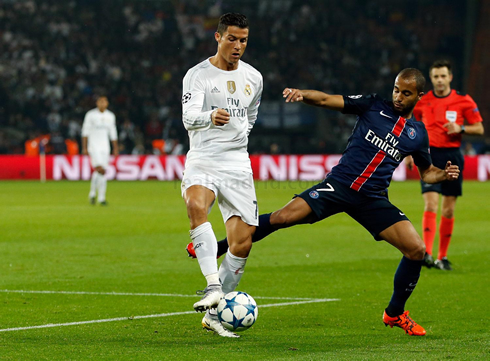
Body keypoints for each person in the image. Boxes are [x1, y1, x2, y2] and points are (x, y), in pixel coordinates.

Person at [187, 68, 460, 336]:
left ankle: (395, 313)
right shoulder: (374, 105)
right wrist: (302, 94)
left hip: (373, 199)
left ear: (419, 95)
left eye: (406, 93)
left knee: (416, 249)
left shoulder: (417, 133)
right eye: (396, 90)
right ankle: (220, 246)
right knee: (282, 217)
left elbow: (427, 172)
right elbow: (328, 100)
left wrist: (443, 174)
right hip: (338, 186)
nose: (399, 96)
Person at [181, 13, 263, 338]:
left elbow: (252, 114)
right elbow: (188, 117)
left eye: (243, 40)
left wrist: (239, 137)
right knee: (196, 204)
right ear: (218, 37)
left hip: (237, 162)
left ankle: (214, 314)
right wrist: (209, 116)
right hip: (203, 156)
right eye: (232, 39)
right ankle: (212, 286)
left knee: (242, 242)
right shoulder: (198, 75)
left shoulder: (254, 77)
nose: (238, 46)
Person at [406, 60, 484, 270]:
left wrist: (460, 128)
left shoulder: (463, 101)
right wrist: (408, 154)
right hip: (429, 156)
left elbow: (479, 129)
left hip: (453, 156)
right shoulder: (423, 101)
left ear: (450, 77)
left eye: (443, 76)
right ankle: (428, 254)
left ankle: (443, 256)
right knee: (430, 204)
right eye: (436, 76)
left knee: (448, 210)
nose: (439, 80)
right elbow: (411, 126)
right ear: (431, 79)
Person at [81, 96, 118, 206]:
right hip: (94, 146)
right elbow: (85, 131)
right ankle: (101, 198)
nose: (102, 104)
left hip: (105, 147)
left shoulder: (110, 116)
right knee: (101, 170)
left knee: (101, 172)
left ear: (107, 103)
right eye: (100, 101)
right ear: (97, 103)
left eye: (104, 101)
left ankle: (94, 194)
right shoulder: (90, 115)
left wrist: (115, 148)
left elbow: (113, 132)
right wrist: (84, 147)